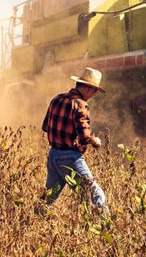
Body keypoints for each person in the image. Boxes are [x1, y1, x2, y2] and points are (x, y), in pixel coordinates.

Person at [39, 67, 109, 215]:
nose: (94, 94)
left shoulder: (56, 99)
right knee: (95, 194)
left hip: (53, 156)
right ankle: (106, 228)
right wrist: (95, 140)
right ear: (88, 89)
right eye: (94, 90)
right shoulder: (80, 105)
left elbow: (45, 127)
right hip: (70, 157)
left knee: (48, 197)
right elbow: (84, 136)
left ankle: (29, 221)